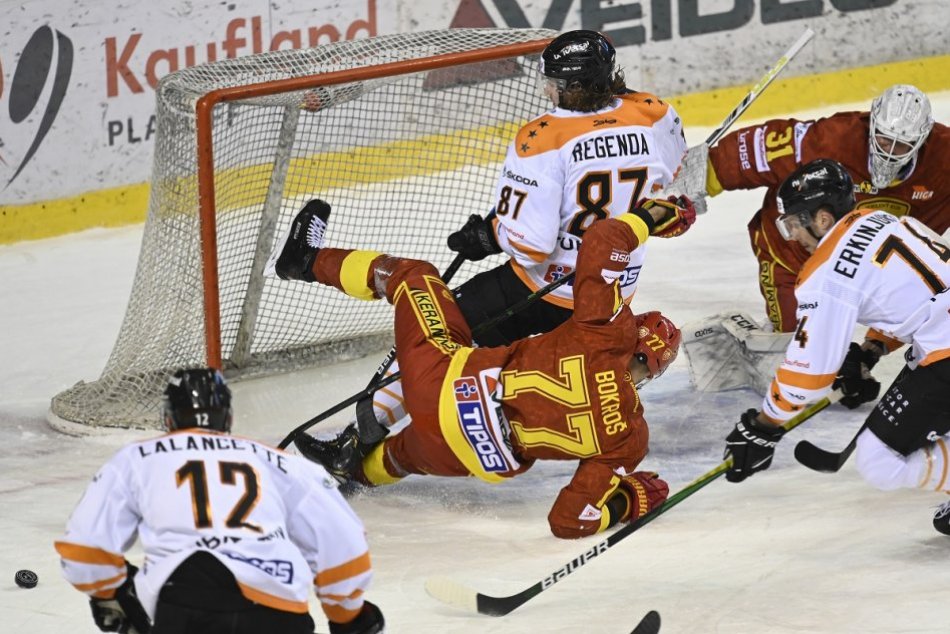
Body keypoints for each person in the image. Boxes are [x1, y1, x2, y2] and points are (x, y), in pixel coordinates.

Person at [266, 195, 692, 538]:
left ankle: (304, 260)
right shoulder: (630, 439)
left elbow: (603, 238)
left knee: (413, 276)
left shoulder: (607, 331)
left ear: (632, 334)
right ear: (653, 371)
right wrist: (627, 501)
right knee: (402, 456)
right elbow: (568, 521)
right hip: (469, 455)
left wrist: (651, 217)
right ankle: (356, 467)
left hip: (444, 384)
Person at [361, 29, 694, 433]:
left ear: (573, 87)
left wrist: (489, 235)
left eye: (554, 84)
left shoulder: (542, 137)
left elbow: (533, 245)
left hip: (541, 289)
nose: (548, 92)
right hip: (611, 295)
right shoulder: (655, 113)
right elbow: (680, 189)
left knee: (442, 328)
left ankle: (364, 432)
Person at [55, 368, 384, 634]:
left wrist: (115, 594)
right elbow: (345, 546)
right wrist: (346, 617)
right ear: (226, 418)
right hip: (277, 613)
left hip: (184, 609)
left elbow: (85, 553)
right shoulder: (280, 462)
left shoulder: (138, 458)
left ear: (168, 419)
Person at [720, 159, 950, 535]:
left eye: (794, 223)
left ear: (823, 219)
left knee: (879, 462)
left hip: (945, 353)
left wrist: (764, 425)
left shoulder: (827, 271)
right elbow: (924, 291)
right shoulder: (885, 219)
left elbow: (809, 372)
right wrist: (872, 349)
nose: (792, 235)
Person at [666, 84, 948, 335]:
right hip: (794, 251)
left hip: (870, 264)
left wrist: (873, 348)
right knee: (795, 338)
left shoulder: (943, 157)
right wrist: (707, 173)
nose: (889, 150)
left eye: (902, 145)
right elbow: (764, 148)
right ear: (872, 125)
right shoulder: (834, 138)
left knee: (923, 311)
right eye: (884, 139)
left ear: (923, 139)